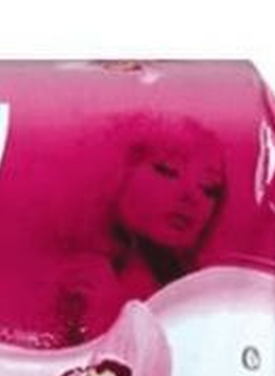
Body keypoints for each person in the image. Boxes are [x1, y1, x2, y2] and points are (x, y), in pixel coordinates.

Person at [51, 113, 226, 343]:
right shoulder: (70, 276)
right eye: (168, 170)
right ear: (116, 170)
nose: (192, 197)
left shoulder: (200, 299)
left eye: (208, 188)